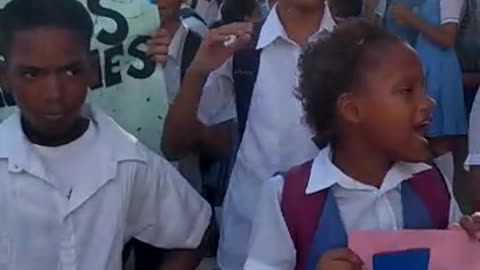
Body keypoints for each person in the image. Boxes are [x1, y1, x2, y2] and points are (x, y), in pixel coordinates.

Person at [245, 19, 480, 270]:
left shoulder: (433, 186)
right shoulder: (287, 199)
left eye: (423, 88)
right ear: (353, 109)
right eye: (407, 91)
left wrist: (468, 243)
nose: (428, 102)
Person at [0, 1, 211, 270]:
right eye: (31, 74)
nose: (53, 93)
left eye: (70, 71)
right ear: (4, 77)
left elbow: (195, 232)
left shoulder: (127, 159)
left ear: (91, 69)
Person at [161, 0, 338, 268]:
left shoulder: (356, 49)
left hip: (331, 236)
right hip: (247, 235)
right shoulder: (241, 46)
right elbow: (174, 145)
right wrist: (197, 72)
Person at [377, 0, 467, 184]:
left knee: (441, 141)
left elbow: (447, 39)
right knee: (425, 138)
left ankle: (447, 192)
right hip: (424, 63)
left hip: (441, 68)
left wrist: (411, 19)